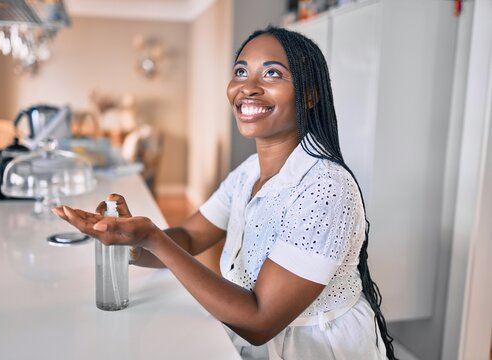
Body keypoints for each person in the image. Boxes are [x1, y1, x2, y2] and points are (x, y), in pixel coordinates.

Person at [53, 26, 397, 360]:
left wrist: (153, 237)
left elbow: (260, 320)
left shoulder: (326, 188)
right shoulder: (248, 173)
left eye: (273, 74)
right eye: (241, 71)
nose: (248, 87)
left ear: (309, 94)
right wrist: (129, 238)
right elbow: (187, 236)